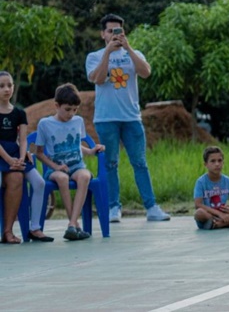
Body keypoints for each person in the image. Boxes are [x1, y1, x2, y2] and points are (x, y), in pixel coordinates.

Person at [86, 14, 169, 222]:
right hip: (106, 118)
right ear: (102, 34)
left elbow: (146, 72)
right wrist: (108, 52)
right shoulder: (94, 56)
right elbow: (97, 79)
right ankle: (113, 207)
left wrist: (128, 48)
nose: (114, 35)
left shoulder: (134, 53)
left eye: (119, 31)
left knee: (140, 163)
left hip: (132, 117)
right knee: (110, 163)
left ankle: (151, 207)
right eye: (110, 31)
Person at [33, 84, 105, 241]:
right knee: (62, 178)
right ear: (57, 105)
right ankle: (76, 225)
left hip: (77, 166)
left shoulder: (78, 121)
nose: (71, 114)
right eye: (67, 109)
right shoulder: (45, 124)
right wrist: (56, 167)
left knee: (85, 176)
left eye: (75, 109)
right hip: (55, 169)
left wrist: (91, 151)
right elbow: (39, 153)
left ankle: (72, 224)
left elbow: (76, 145)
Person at [1, 71, 52, 243]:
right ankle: (5, 231)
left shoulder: (19, 113)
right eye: (1, 86)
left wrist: (22, 158)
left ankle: (35, 228)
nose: (6, 89)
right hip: (3, 155)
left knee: (39, 183)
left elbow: (23, 139)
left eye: (9, 85)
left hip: (16, 154)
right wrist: (9, 160)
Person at [194, 146, 229, 229]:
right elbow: (198, 204)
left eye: (219, 160)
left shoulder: (227, 180)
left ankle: (220, 224)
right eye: (213, 161)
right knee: (199, 213)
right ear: (205, 164)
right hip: (210, 216)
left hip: (225, 216)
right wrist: (219, 214)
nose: (217, 164)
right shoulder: (201, 182)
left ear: (223, 163)